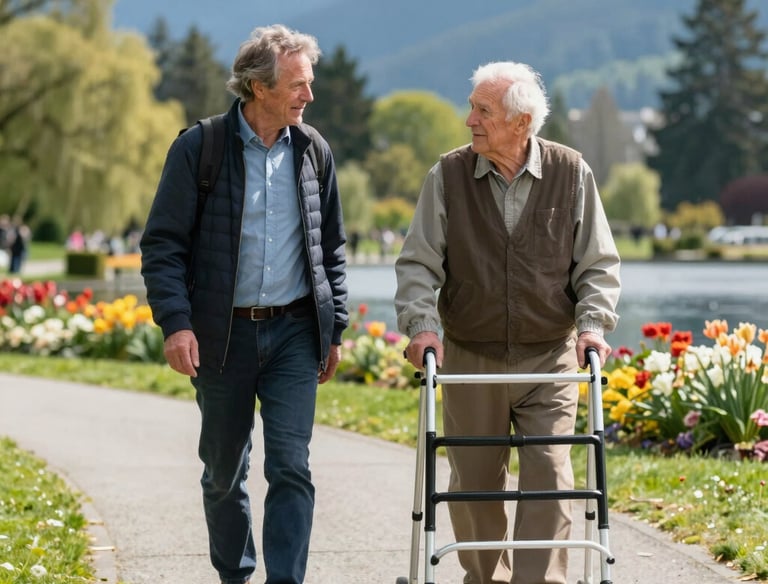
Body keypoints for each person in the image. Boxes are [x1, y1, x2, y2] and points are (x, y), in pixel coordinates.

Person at [395, 61, 620, 584]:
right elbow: (418, 262)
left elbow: (599, 263)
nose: (468, 119)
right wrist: (421, 325)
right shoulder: (447, 175)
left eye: (482, 110)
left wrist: (593, 325)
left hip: (550, 355)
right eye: (472, 106)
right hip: (472, 354)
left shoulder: (571, 171)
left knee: (550, 473)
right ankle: (485, 579)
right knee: (474, 483)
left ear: (521, 121)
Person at [140, 24, 348, 584]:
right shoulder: (199, 148)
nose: (309, 95)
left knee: (292, 466)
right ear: (258, 87)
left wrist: (335, 330)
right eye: (299, 84)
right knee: (224, 471)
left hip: (294, 336)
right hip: (220, 337)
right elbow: (162, 245)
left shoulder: (313, 150)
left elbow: (331, 249)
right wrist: (177, 325)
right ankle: (236, 575)